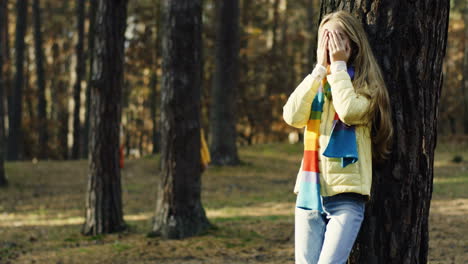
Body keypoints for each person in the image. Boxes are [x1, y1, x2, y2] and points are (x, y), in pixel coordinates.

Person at [282, 10, 393, 264]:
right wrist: (319, 70)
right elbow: (292, 116)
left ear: (352, 44)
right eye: (326, 38)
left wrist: (339, 67)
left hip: (347, 197)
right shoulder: (316, 84)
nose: (331, 46)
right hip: (310, 192)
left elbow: (348, 111)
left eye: (338, 39)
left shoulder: (367, 88)